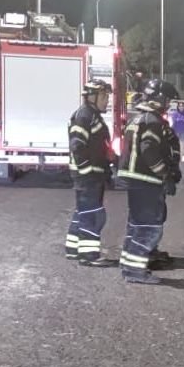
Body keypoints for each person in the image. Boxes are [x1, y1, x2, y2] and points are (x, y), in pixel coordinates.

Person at [117, 79, 182, 284]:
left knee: (136, 225)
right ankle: (135, 271)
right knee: (148, 227)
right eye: (168, 100)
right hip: (146, 181)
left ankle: (129, 264)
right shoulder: (152, 121)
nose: (169, 104)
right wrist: (165, 175)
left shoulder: (140, 118)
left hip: (136, 181)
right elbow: (149, 150)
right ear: (159, 99)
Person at [65, 79, 116, 267]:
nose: (107, 100)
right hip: (87, 175)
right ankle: (89, 255)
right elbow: (77, 147)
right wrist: (87, 172)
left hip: (93, 173)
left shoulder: (92, 115)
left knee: (83, 212)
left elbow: (99, 145)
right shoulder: (84, 116)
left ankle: (73, 249)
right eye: (104, 96)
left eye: (107, 96)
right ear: (92, 97)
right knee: (93, 214)